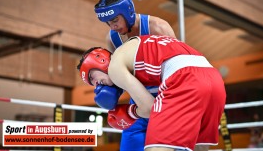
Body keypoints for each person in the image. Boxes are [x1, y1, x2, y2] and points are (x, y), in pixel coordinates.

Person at [77, 35, 226, 151]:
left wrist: (130, 112)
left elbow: (149, 108)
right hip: (214, 78)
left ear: (101, 60)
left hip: (184, 78)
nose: (96, 85)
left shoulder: (115, 67)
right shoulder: (138, 50)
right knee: (198, 148)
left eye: (92, 77)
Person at [93, 0, 176, 151]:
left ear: (127, 12)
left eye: (115, 20)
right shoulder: (113, 38)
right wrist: (109, 92)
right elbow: (120, 75)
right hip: (139, 101)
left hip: (166, 100)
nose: (113, 26)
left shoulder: (158, 28)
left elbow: (178, 67)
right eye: (108, 22)